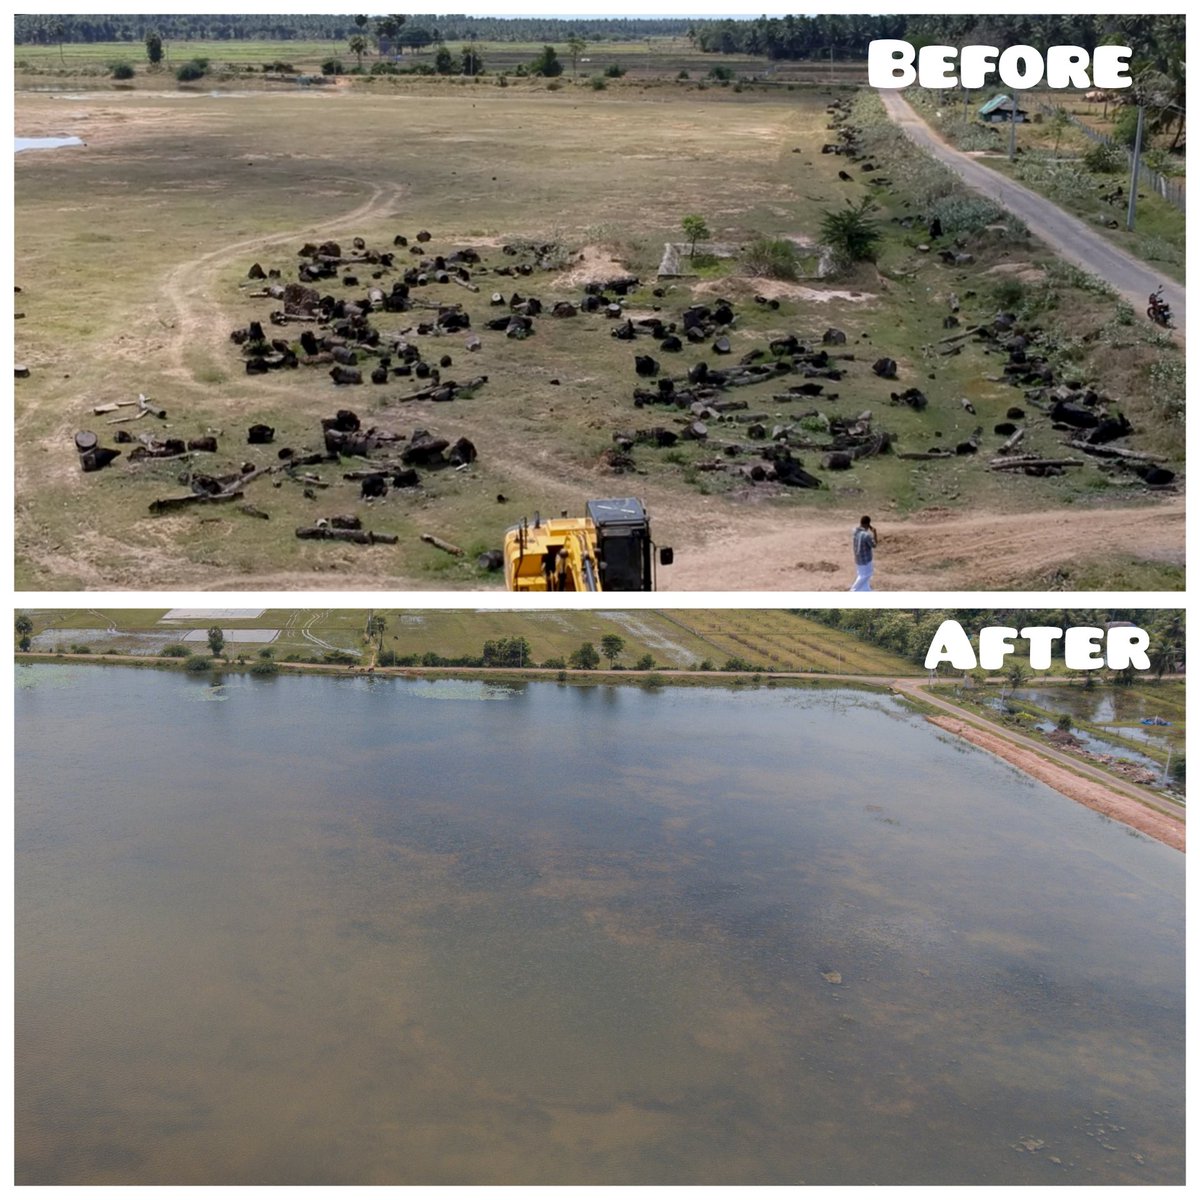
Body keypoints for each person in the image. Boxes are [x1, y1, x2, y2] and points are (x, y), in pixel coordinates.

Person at [850, 516, 877, 591]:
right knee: (865, 576)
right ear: (868, 524)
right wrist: (874, 533)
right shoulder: (866, 535)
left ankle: (866, 590)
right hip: (865, 560)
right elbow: (874, 545)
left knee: (861, 574)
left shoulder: (854, 531)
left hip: (858, 559)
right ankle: (854, 590)